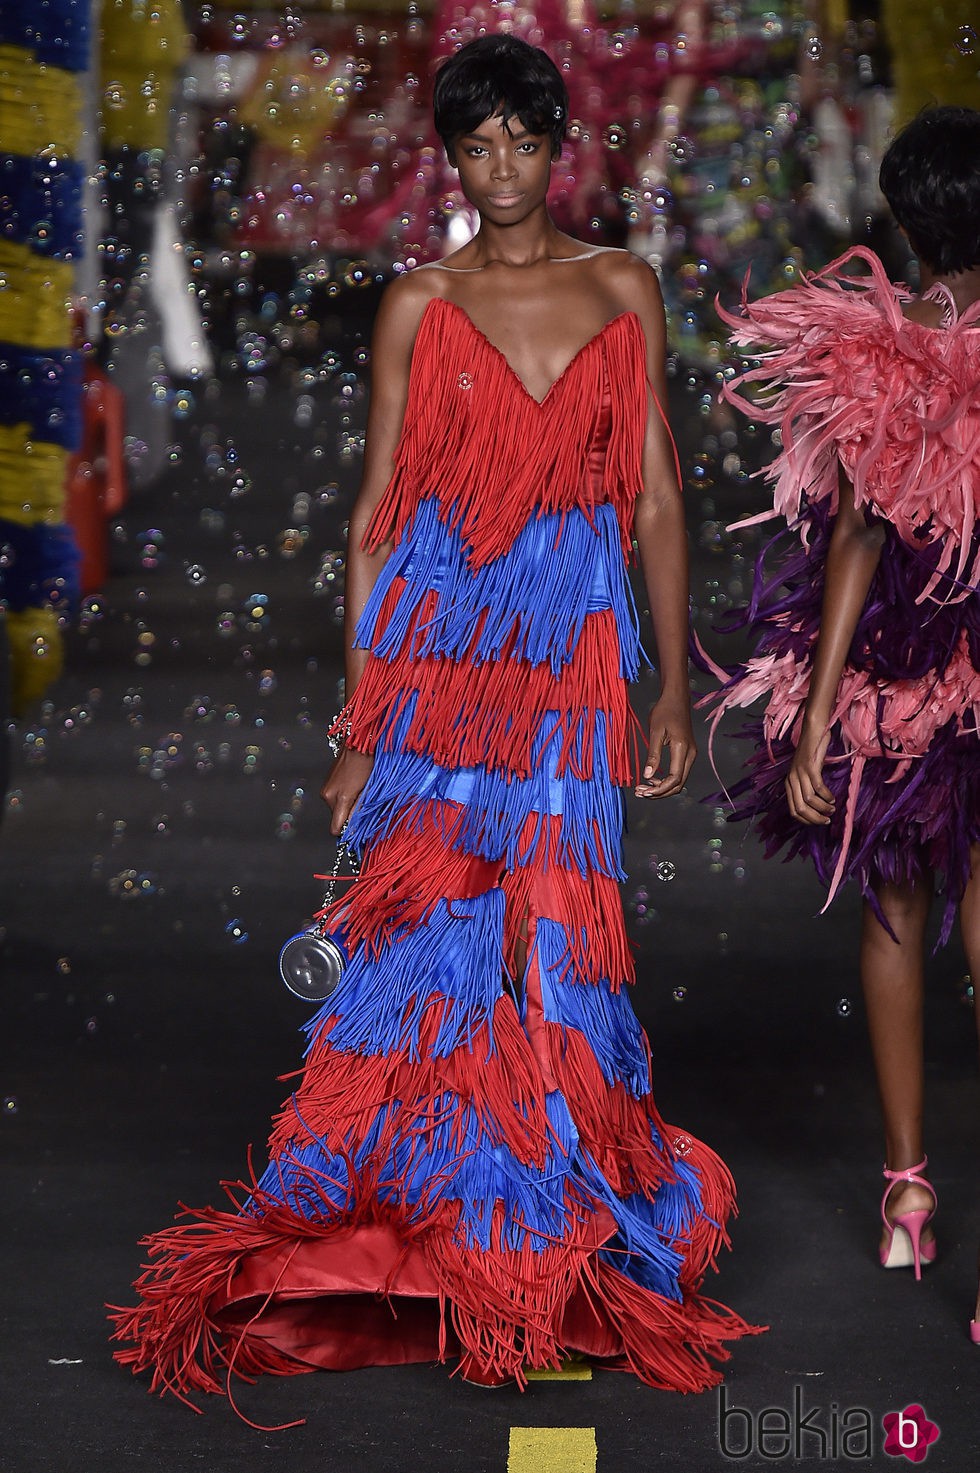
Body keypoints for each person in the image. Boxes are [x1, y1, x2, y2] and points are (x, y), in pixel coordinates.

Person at [111, 34, 758, 1406]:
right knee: (434, 947)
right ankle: (428, 1243)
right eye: (479, 144)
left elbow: (655, 501)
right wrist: (362, 718)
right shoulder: (416, 303)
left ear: (555, 144)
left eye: (525, 137)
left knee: (559, 941)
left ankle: (555, 1239)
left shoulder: (620, 286)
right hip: (441, 673)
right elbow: (375, 521)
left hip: (577, 666)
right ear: (454, 160)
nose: (504, 163)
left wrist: (674, 688)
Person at [702, 107, 980, 1334]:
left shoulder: (875, 352)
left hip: (891, 662)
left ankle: (905, 1189)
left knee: (891, 908)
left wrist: (814, 717)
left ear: (903, 224)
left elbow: (850, 538)